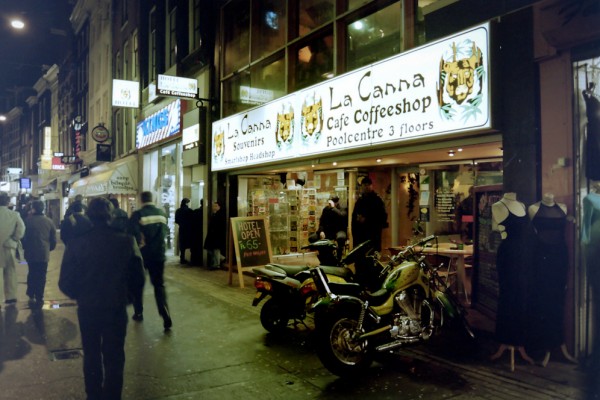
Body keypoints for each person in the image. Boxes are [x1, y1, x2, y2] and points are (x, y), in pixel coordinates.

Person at [59, 197, 145, 400]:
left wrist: (80, 295)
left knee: (91, 353)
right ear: (111, 215)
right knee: (115, 354)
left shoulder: (76, 243)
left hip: (88, 307)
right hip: (115, 306)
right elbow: (138, 277)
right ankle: (113, 394)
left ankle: (94, 394)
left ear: (89, 216)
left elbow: (65, 281)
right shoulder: (126, 241)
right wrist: (128, 297)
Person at [527, 193, 577, 366]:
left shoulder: (562, 208)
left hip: (560, 257)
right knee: (544, 301)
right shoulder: (533, 208)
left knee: (558, 300)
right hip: (541, 258)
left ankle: (558, 341)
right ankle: (546, 344)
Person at [490, 192, 534, 369]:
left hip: (523, 256)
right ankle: (506, 339)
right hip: (508, 256)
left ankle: (519, 341)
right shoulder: (498, 206)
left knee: (521, 297)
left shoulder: (522, 206)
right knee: (508, 297)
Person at [129, 191, 172, 330]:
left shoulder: (138, 214)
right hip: (159, 255)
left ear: (141, 200)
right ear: (152, 199)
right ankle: (164, 312)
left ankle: (138, 312)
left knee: (138, 284)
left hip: (142, 256)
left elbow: (132, 234)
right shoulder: (161, 214)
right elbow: (165, 232)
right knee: (159, 285)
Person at [22, 200, 57, 308]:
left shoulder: (27, 221)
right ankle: (39, 295)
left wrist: (25, 247)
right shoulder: (49, 221)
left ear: (33, 209)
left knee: (32, 272)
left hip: (31, 252)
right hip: (43, 253)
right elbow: (53, 239)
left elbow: (23, 237)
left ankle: (31, 293)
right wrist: (49, 248)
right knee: (41, 275)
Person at [0, 192, 26, 307]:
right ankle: (10, 297)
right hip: (8, 246)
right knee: (10, 271)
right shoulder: (14, 214)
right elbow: (21, 229)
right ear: (7, 202)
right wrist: (14, 239)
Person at [351, 177, 388, 252]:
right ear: (362, 187)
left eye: (368, 185)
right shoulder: (360, 200)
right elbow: (354, 217)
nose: (366, 187)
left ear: (371, 186)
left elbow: (381, 217)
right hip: (360, 236)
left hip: (373, 235)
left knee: (371, 254)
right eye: (364, 185)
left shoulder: (377, 200)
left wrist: (366, 220)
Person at [312, 196, 347, 260]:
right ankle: (324, 254)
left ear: (337, 202)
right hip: (327, 230)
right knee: (312, 238)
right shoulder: (326, 209)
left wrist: (333, 208)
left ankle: (339, 258)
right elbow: (322, 222)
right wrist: (321, 231)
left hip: (338, 230)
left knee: (341, 238)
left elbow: (342, 216)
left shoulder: (342, 208)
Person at [204, 201, 226, 270]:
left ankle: (216, 264)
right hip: (212, 235)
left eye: (216, 206)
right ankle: (222, 258)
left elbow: (220, 226)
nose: (214, 207)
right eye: (213, 206)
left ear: (219, 207)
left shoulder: (220, 215)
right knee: (211, 249)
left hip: (217, 235)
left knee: (215, 249)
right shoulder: (214, 214)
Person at [175, 198, 194, 264]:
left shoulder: (178, 211)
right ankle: (192, 259)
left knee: (182, 244)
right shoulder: (190, 211)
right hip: (189, 229)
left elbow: (176, 221)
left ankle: (182, 258)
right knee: (190, 244)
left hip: (182, 228)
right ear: (187, 203)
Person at [190, 200, 204, 266]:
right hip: (201, 231)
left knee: (195, 246)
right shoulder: (206, 212)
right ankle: (199, 261)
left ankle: (194, 261)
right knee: (200, 246)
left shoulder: (195, 211)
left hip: (195, 231)